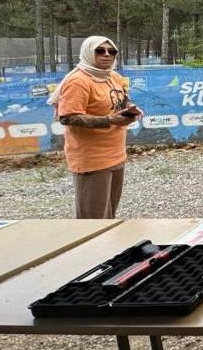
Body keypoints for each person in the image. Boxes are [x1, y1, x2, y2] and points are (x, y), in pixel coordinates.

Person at [49, 36, 142, 219]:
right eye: (100, 51)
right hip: (91, 158)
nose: (107, 55)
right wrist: (109, 120)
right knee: (92, 221)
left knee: (109, 218)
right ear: (88, 53)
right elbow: (68, 117)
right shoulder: (78, 81)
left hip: (116, 154)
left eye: (111, 51)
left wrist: (130, 111)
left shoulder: (113, 76)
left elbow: (119, 103)